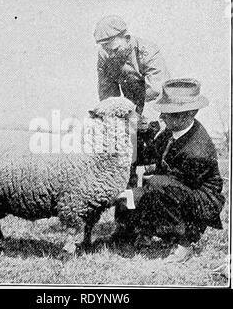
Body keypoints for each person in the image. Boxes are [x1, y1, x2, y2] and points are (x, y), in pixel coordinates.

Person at [114, 78, 226, 263]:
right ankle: (129, 233)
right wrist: (139, 135)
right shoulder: (171, 132)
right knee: (131, 189)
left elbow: (173, 185)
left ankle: (184, 243)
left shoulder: (197, 149)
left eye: (169, 114)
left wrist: (142, 189)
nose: (162, 118)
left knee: (155, 185)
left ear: (190, 113)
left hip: (201, 201)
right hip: (175, 189)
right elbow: (147, 157)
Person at [94, 15, 170, 187]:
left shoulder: (148, 51)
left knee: (155, 164)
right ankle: (128, 206)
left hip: (156, 111)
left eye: (114, 49)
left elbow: (156, 92)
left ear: (126, 38)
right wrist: (116, 120)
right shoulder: (105, 56)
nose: (111, 53)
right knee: (126, 164)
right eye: (106, 48)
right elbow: (107, 95)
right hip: (131, 113)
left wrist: (142, 120)